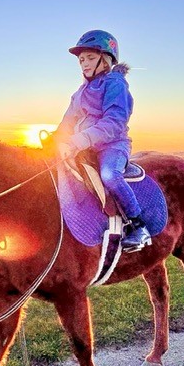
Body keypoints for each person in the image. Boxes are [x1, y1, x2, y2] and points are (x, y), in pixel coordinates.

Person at [55, 29, 151, 252]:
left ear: (105, 59)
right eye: (81, 60)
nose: (84, 64)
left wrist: (78, 140)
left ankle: (138, 226)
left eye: (89, 58)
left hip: (112, 146)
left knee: (110, 175)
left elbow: (114, 122)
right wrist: (49, 143)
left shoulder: (115, 84)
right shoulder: (79, 93)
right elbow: (66, 124)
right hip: (82, 148)